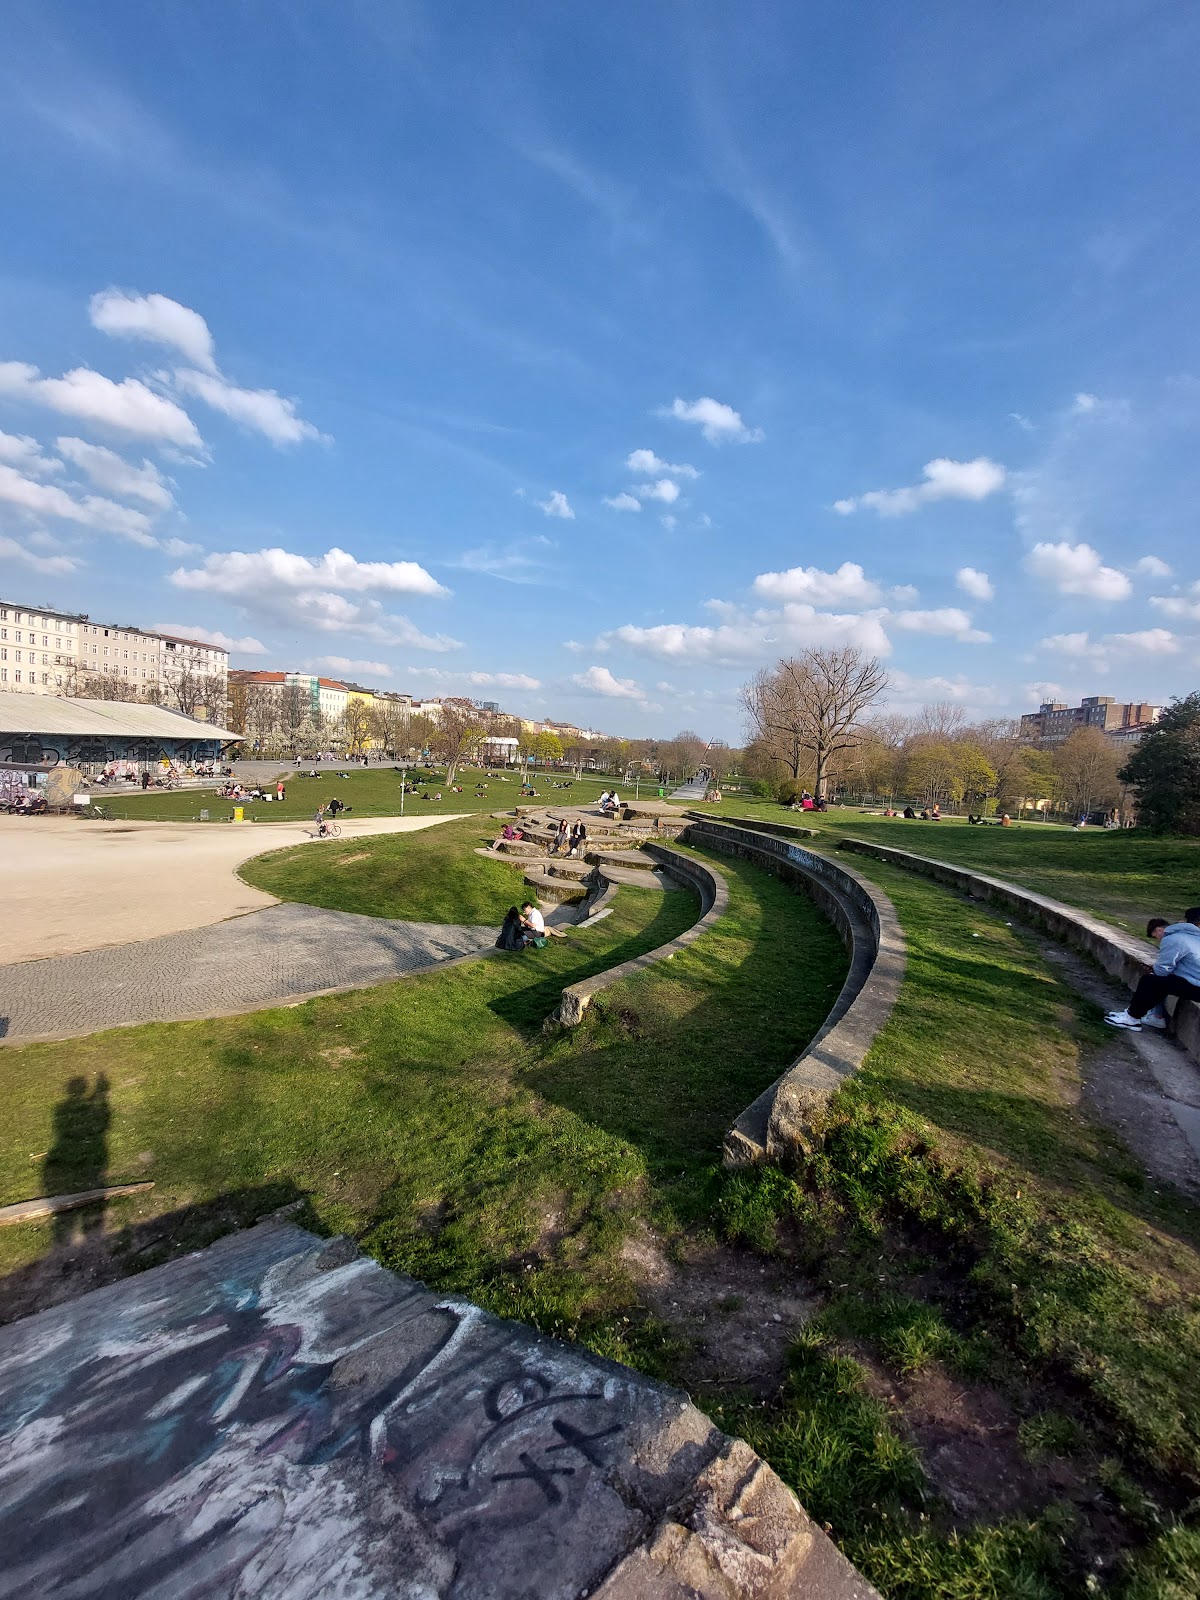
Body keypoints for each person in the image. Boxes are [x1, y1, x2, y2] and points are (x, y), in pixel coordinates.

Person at [1106, 908, 1200, 1031]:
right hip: (1194, 982)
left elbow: (1162, 970)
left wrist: (1154, 970)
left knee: (1150, 981)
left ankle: (1132, 1018)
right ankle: (1155, 1016)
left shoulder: (1177, 939)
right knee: (1163, 981)